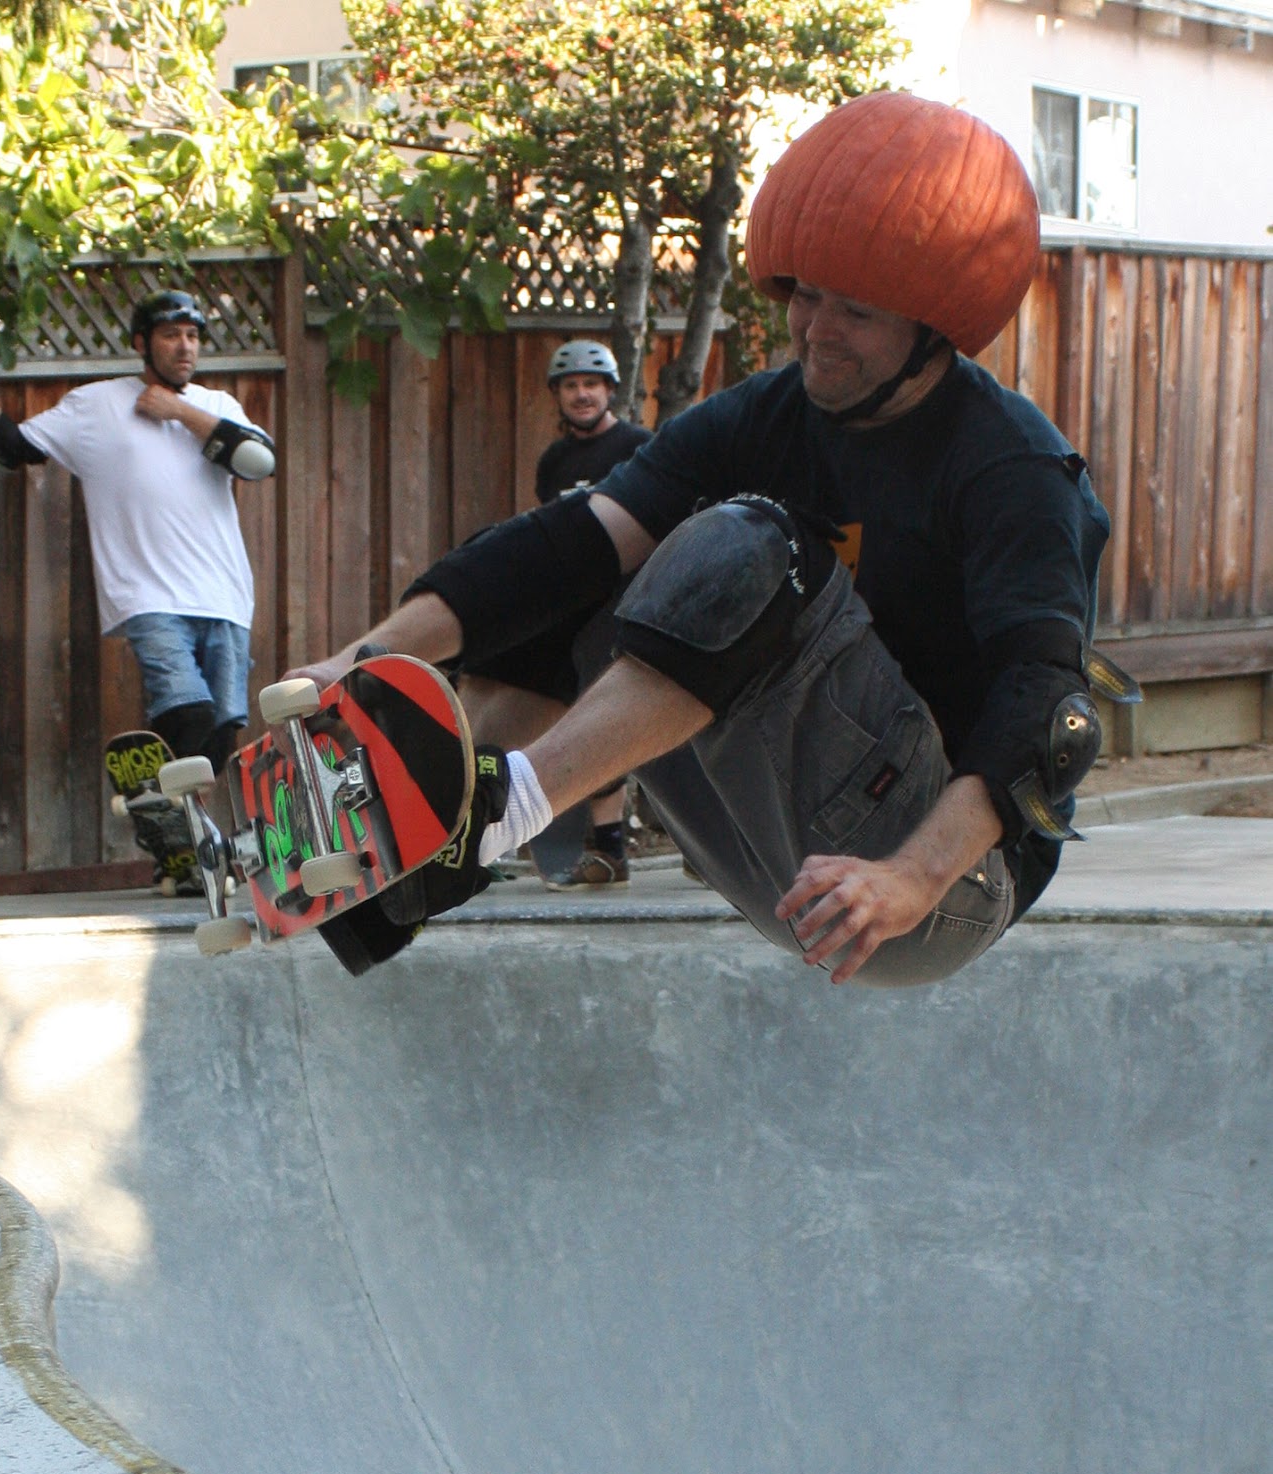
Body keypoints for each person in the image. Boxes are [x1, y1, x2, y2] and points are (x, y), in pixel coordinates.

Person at [301, 92, 1116, 987]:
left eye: (856, 313)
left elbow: (1049, 714)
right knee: (577, 564)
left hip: (935, 884)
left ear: (935, 330)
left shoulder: (1010, 467)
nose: (818, 335)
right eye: (808, 298)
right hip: (781, 848)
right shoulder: (762, 415)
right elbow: (572, 544)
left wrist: (912, 879)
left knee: (757, 545)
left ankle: (498, 812)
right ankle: (421, 854)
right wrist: (359, 661)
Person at [0, 290, 275, 777]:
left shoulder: (216, 406)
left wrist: (180, 412)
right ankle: (156, 793)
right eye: (170, 335)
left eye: (193, 336)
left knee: (218, 737)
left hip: (226, 595)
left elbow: (260, 462)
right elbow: (12, 446)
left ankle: (173, 817)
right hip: (149, 595)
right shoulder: (97, 405)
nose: (185, 347)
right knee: (189, 712)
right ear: (141, 343)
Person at [475, 340, 651, 889]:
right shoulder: (554, 460)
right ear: (558, 395)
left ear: (610, 391)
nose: (582, 394)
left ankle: (618, 847)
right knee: (574, 714)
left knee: (615, 715)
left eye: (591, 384)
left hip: (628, 600)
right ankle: (598, 849)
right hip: (572, 606)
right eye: (571, 385)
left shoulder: (637, 446)